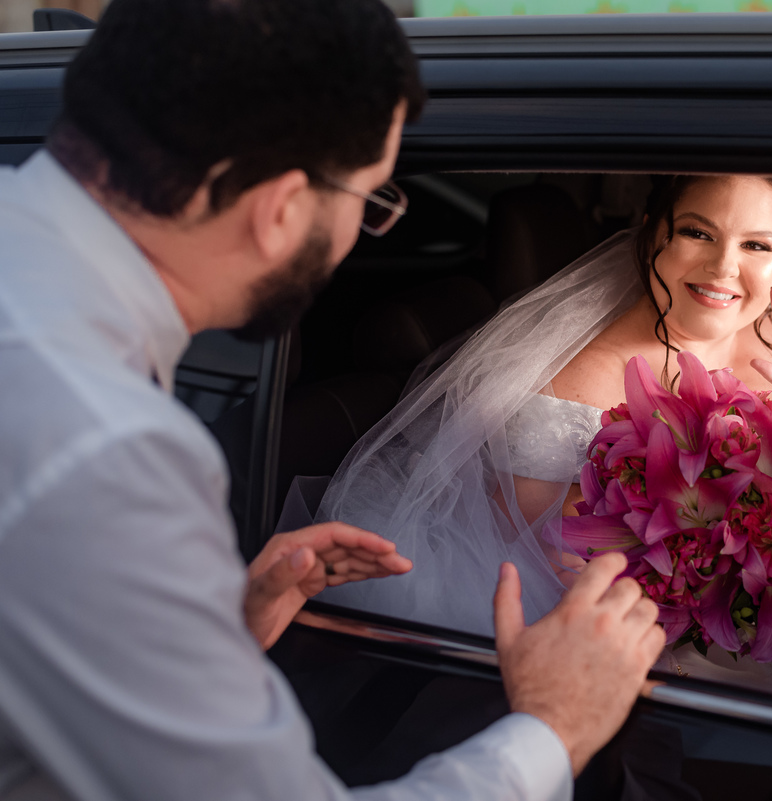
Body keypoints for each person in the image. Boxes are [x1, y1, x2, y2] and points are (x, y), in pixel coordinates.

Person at [0, 1, 664, 800]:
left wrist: (202, 629)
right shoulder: (107, 446)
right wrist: (553, 727)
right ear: (281, 209)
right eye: (372, 201)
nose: (360, 233)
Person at [316, 174, 772, 717]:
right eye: (696, 233)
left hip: (743, 620)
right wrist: (707, 574)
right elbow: (545, 557)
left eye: (756, 245)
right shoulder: (570, 378)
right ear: (651, 235)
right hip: (608, 626)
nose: (723, 267)